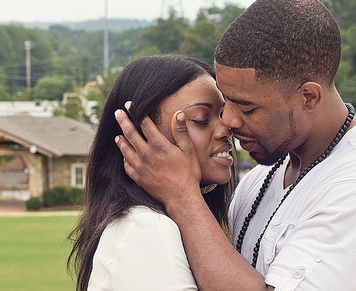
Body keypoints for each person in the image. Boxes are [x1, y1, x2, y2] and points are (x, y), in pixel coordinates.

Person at [114, 0, 356, 291]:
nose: (229, 121)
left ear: (309, 97)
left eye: (247, 107)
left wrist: (182, 196)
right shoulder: (260, 179)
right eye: (227, 103)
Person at [68, 54, 236, 291]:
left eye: (222, 114)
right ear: (140, 137)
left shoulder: (165, 223)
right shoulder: (147, 228)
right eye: (201, 119)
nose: (225, 129)